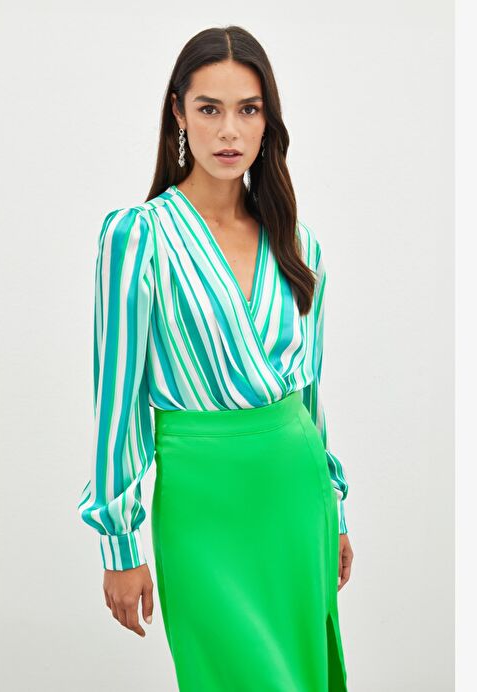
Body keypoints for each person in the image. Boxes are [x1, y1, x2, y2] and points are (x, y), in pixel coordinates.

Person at [77, 24, 354, 692]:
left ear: (267, 121)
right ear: (178, 113)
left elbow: (310, 401)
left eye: (248, 110)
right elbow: (116, 400)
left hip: (297, 500)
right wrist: (119, 543)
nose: (229, 131)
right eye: (209, 108)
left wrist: (338, 512)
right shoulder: (137, 238)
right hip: (202, 506)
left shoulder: (299, 246)